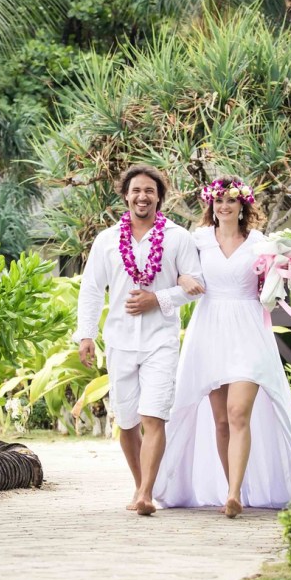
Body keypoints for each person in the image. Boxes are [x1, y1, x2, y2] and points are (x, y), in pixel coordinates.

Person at [153, 177, 291, 517]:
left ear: (243, 205)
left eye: (231, 200)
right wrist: (183, 278)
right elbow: (177, 270)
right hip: (209, 329)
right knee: (221, 420)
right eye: (219, 200)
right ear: (211, 205)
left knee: (239, 412)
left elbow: (275, 283)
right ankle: (230, 489)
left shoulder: (260, 243)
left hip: (248, 329)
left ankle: (235, 494)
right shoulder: (198, 240)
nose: (224, 206)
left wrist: (281, 273)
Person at [75, 166, 203, 516]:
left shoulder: (178, 238)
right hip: (119, 340)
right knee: (127, 420)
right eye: (136, 190)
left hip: (160, 340)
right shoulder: (106, 240)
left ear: (159, 197)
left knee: (153, 415)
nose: (142, 196)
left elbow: (196, 284)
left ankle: (147, 493)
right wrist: (86, 334)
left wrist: (157, 299)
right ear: (125, 195)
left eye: (149, 190)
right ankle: (139, 484)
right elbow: (91, 289)